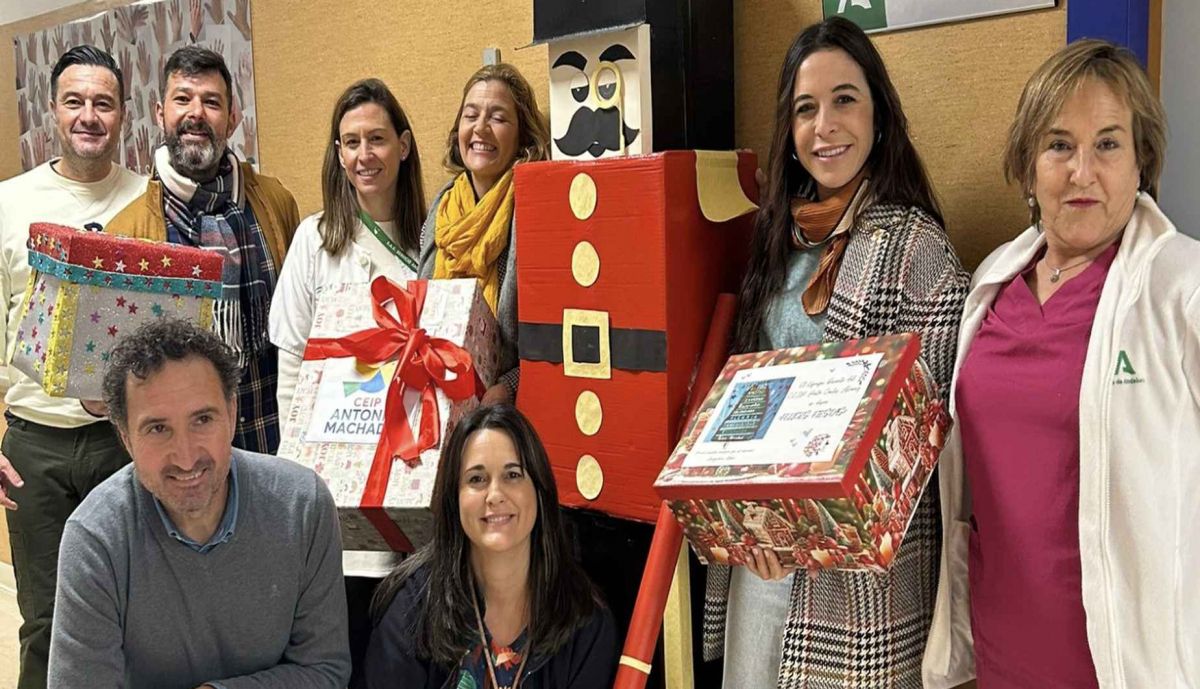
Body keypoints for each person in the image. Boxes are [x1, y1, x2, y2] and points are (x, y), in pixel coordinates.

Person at [923, 40, 1200, 689]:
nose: (1082, 172)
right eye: (1058, 145)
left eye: (1107, 144)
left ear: (1141, 162)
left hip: (1122, 666)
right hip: (999, 650)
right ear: (1027, 167)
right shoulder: (992, 280)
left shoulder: (1180, 284)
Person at [705, 17, 969, 689]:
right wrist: (744, 523)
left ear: (879, 115)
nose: (824, 126)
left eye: (844, 100)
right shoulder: (777, 238)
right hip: (764, 562)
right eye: (806, 108)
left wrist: (824, 516)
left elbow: (931, 428)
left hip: (855, 584)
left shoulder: (917, 247)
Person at [47, 319, 350, 688]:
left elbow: (325, 669)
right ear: (125, 438)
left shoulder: (302, 505)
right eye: (158, 428)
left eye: (202, 419)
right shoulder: (95, 539)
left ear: (232, 413)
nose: (186, 457)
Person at [268, 77, 425, 683]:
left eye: (377, 139)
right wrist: (296, 475)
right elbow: (290, 366)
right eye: (351, 142)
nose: (365, 155)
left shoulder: (430, 239)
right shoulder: (315, 240)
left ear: (404, 145)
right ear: (337, 153)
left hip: (411, 463)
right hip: (334, 472)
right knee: (344, 638)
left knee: (404, 639)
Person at [0, 44, 145, 689]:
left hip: (125, 441)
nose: (90, 116)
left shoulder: (147, 199)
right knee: (46, 622)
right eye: (75, 101)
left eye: (104, 103)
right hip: (35, 449)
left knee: (134, 613)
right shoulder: (9, 204)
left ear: (123, 114)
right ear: (52, 111)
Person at [106, 45, 300, 455]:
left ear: (232, 118)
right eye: (183, 99)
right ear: (160, 113)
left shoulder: (276, 203)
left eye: (212, 102)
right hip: (186, 459)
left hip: (275, 443)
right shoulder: (126, 233)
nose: (196, 113)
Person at [363, 404, 618, 688]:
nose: (495, 495)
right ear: (454, 498)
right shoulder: (411, 607)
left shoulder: (584, 619)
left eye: (513, 475)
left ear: (540, 489)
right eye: (477, 479)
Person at [417, 63, 551, 405]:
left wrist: (509, 387)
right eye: (471, 115)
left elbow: (551, 338)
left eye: (498, 118)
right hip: (439, 396)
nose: (480, 128)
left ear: (523, 136)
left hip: (508, 408)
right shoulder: (441, 210)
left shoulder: (536, 212)